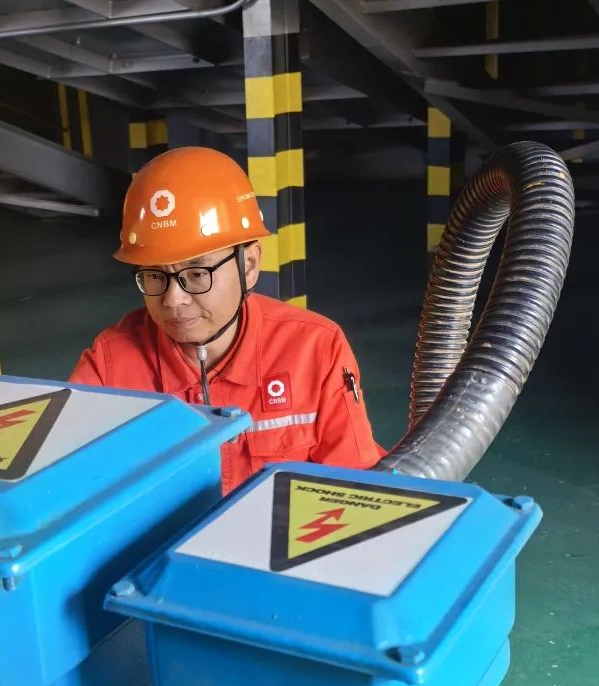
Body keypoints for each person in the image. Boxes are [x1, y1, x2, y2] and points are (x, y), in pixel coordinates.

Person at [70, 147, 384, 494]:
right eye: (155, 276)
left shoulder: (315, 350)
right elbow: (74, 489)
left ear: (248, 265)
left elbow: (355, 491)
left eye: (197, 273)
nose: (173, 299)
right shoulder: (110, 369)